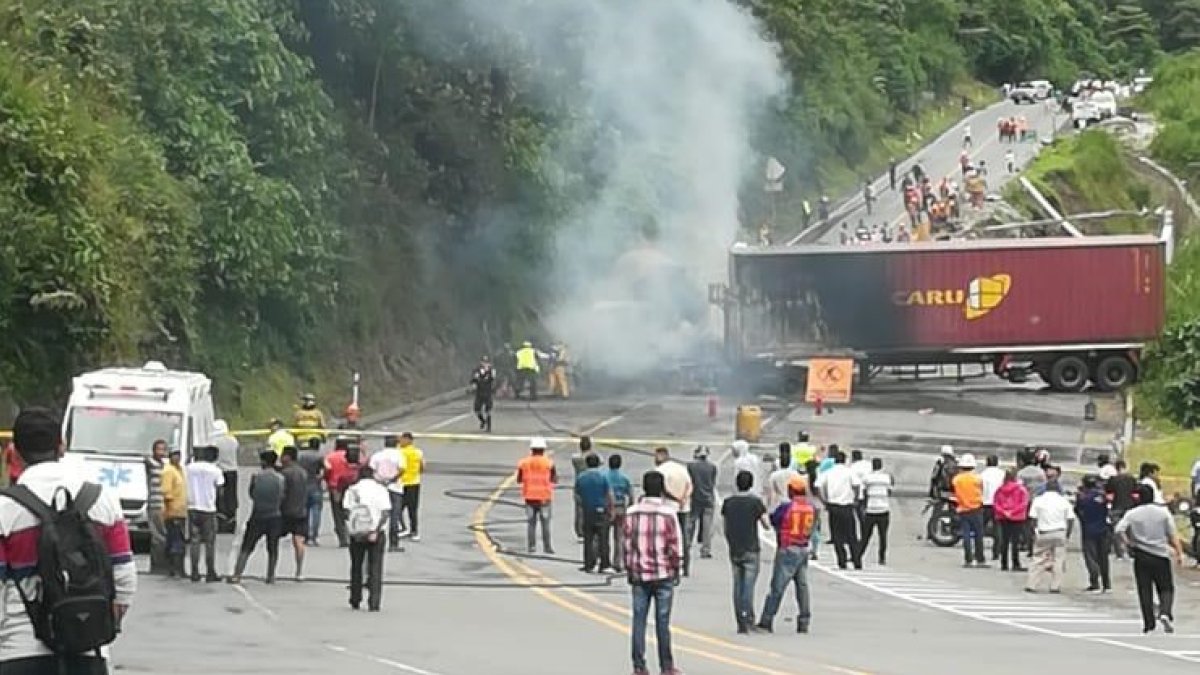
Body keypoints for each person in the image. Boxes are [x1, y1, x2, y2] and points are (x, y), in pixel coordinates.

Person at [0, 408, 136, 674]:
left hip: (20, 653)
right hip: (88, 653)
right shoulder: (101, 498)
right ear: (62, 446)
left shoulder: (4, 508)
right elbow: (124, 576)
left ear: (14, 452)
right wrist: (95, 624)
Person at [624, 471, 683, 675]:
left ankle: (639, 666)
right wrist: (676, 568)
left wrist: (629, 568)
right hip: (662, 573)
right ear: (662, 489)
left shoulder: (632, 512)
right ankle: (666, 666)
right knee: (663, 621)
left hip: (639, 574)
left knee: (639, 620)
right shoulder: (668, 513)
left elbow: (626, 544)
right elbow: (675, 545)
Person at [1115, 484, 1185, 633]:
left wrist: (1128, 543)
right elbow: (1173, 534)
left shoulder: (1132, 513)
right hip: (1161, 554)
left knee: (1144, 589)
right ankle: (1165, 611)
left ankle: (1149, 623)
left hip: (1141, 554)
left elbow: (1119, 529)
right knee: (1166, 587)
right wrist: (1179, 553)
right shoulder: (1163, 513)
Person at [757, 474, 817, 634]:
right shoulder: (810, 508)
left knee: (777, 587)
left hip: (787, 547)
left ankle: (767, 619)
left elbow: (774, 520)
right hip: (803, 547)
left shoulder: (786, 507)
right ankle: (804, 620)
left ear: (791, 491)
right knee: (802, 587)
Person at [722, 470, 768, 633]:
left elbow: (725, 527)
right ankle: (748, 618)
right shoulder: (755, 502)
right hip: (751, 547)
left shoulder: (728, 502)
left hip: (735, 547)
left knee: (737, 584)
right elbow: (766, 524)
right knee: (748, 586)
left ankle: (740, 620)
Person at [230, 451, 285, 584]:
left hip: (258, 515)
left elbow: (251, 494)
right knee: (272, 548)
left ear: (264, 462)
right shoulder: (280, 478)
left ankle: (237, 574)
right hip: (275, 515)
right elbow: (282, 495)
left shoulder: (256, 477)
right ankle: (271, 576)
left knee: (247, 547)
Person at [343, 465, 391, 612]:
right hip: (376, 533)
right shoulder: (381, 490)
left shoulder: (352, 490)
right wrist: (375, 530)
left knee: (356, 566)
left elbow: (346, 511)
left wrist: (352, 529)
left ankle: (355, 598)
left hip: (357, 532)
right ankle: (374, 602)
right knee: (375, 567)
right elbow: (385, 512)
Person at [813, 450, 862, 570]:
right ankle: (856, 561)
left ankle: (842, 560)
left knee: (837, 535)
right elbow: (856, 485)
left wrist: (824, 500)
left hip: (833, 506)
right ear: (844, 460)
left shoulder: (828, 472)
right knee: (851, 535)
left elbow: (817, 486)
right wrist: (855, 498)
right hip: (847, 506)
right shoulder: (849, 472)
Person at [1026, 480, 1075, 593]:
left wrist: (1034, 532)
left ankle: (1032, 584)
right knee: (1058, 560)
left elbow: (1032, 518)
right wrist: (1067, 534)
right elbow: (1071, 519)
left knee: (1038, 559)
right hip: (1059, 532)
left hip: (1044, 532)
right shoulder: (1064, 501)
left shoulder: (1038, 500)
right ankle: (1055, 586)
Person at [186, 445, 225, 582]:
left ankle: (194, 571)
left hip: (192, 507)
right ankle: (210, 572)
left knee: (194, 541)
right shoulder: (216, 471)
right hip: (208, 509)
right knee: (209, 542)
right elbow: (220, 490)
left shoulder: (190, 468)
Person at [654, 447, 694, 576]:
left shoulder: (659, 471)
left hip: (668, 508)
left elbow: (663, 490)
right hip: (684, 507)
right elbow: (690, 485)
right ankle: (686, 567)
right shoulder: (681, 468)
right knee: (684, 537)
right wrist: (683, 499)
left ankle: (670, 565)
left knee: (668, 538)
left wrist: (676, 499)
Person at [517, 437, 557, 554]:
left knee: (531, 523)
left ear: (531, 449)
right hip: (544, 497)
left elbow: (519, 479)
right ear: (543, 449)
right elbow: (554, 478)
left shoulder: (523, 463)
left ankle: (531, 546)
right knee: (545, 523)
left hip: (529, 496)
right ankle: (547, 547)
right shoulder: (549, 463)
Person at [575, 453, 613, 572]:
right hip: (601, 510)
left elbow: (577, 495)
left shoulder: (581, 477)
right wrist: (611, 509)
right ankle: (604, 564)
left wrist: (582, 506)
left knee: (588, 539)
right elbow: (609, 494)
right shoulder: (602, 477)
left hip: (587, 511)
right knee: (603, 539)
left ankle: (588, 564)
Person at [369, 435, 407, 552]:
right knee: (394, 516)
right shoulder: (399, 455)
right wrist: (391, 479)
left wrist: (380, 479)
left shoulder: (377, 455)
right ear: (396, 444)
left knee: (377, 514)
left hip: (379, 487)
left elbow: (371, 469)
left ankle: (373, 538)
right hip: (395, 488)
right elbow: (402, 469)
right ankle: (393, 544)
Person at [1076, 475, 1112, 592]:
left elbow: (1078, 510)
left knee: (1091, 556)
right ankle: (1106, 583)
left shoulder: (1083, 498)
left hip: (1088, 529)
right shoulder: (1102, 497)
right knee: (1103, 557)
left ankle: (1095, 581)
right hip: (1103, 528)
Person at [278, 447, 310, 579]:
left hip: (285, 511)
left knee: (273, 539)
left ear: (287, 457)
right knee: (299, 541)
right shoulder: (303, 473)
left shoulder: (284, 473)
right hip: (301, 511)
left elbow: (281, 493)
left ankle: (271, 570)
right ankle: (299, 571)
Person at [952, 454, 987, 567]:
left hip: (963, 509)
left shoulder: (956, 479)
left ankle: (968, 560)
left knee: (966, 535)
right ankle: (980, 559)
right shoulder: (977, 478)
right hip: (976, 508)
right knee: (978, 535)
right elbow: (982, 491)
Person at [993, 470, 1029, 572]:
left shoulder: (1000, 489)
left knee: (1004, 540)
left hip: (1003, 517)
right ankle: (1015, 563)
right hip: (1017, 518)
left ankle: (1004, 563)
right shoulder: (1021, 489)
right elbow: (1023, 503)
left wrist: (1004, 512)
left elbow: (995, 503)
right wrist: (1013, 512)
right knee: (1015, 541)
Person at [859, 458, 893, 565]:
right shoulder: (887, 477)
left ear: (872, 466)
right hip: (884, 509)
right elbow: (889, 491)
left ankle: (859, 554)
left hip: (871, 509)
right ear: (881, 466)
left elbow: (863, 493)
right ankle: (882, 558)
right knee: (883, 536)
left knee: (865, 536)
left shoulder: (867, 478)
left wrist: (863, 506)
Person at [324, 437, 357, 547]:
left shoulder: (330, 457)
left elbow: (327, 470)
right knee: (351, 510)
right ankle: (354, 533)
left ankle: (343, 538)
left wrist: (327, 480)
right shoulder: (351, 456)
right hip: (350, 486)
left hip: (335, 487)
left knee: (337, 512)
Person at [687, 445, 718, 559]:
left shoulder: (691, 466)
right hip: (708, 498)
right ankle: (706, 549)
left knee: (690, 523)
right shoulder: (712, 467)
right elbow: (713, 482)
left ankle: (687, 545)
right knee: (707, 526)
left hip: (694, 497)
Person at [162, 448, 189, 578]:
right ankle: (174, 569)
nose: (177, 458)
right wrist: (171, 510)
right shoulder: (168, 471)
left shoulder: (180, 470)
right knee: (176, 541)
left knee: (179, 541)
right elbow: (167, 493)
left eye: (178, 455)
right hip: (173, 512)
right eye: (174, 455)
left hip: (181, 511)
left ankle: (177, 569)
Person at [607, 453, 634, 573]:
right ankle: (618, 562)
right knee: (619, 537)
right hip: (621, 508)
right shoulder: (624, 478)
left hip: (608, 508)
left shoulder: (604, 477)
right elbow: (631, 495)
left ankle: (605, 561)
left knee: (604, 536)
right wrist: (630, 507)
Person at [1107, 459, 1138, 559]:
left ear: (1116, 468)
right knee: (1130, 530)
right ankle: (1131, 551)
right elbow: (1135, 494)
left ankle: (1119, 553)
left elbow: (1109, 494)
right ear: (1125, 467)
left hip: (1116, 507)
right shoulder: (1132, 479)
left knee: (1117, 530)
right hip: (1130, 508)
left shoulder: (1113, 479)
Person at [212, 420, 240, 534]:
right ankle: (232, 521)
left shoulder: (214, 442)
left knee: (220, 498)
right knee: (231, 496)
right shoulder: (233, 440)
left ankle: (221, 521)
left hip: (220, 471)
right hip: (233, 471)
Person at [145, 439, 168, 574]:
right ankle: (157, 566)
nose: (161, 452)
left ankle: (163, 564)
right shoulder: (150, 463)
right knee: (157, 537)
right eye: (158, 449)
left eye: (163, 449)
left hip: (165, 504)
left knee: (164, 536)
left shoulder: (166, 465)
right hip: (154, 504)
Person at [397, 432, 424, 541]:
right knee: (411, 509)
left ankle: (406, 529)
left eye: (402, 439)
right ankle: (412, 531)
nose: (400, 441)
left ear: (408, 440)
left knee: (400, 508)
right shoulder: (418, 452)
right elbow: (422, 467)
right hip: (413, 483)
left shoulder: (399, 452)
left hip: (403, 483)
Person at [297, 438, 325, 545]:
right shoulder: (319, 456)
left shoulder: (300, 456)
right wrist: (321, 476)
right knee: (316, 511)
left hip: (303, 487)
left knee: (305, 512)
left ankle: (305, 534)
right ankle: (313, 536)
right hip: (315, 486)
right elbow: (327, 468)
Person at [979, 454, 1006, 562]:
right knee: (997, 529)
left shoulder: (982, 475)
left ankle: (979, 551)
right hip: (998, 504)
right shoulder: (1002, 474)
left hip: (985, 503)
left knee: (980, 528)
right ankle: (996, 552)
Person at [572, 436, 597, 542]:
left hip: (579, 484)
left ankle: (580, 531)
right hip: (592, 484)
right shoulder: (594, 457)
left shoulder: (576, 458)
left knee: (579, 509)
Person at [767, 443, 799, 512]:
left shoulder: (775, 467)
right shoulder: (795, 471)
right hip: (792, 502)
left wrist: (768, 505)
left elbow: (771, 490)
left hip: (778, 502)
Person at [470, 356, 497, 431]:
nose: (485, 364)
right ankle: (482, 421)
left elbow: (493, 379)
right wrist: (474, 384)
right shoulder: (477, 370)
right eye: (483, 362)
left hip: (487, 392)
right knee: (477, 409)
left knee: (488, 410)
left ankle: (489, 427)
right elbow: (473, 380)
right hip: (479, 392)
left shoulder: (491, 370)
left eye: (487, 362)